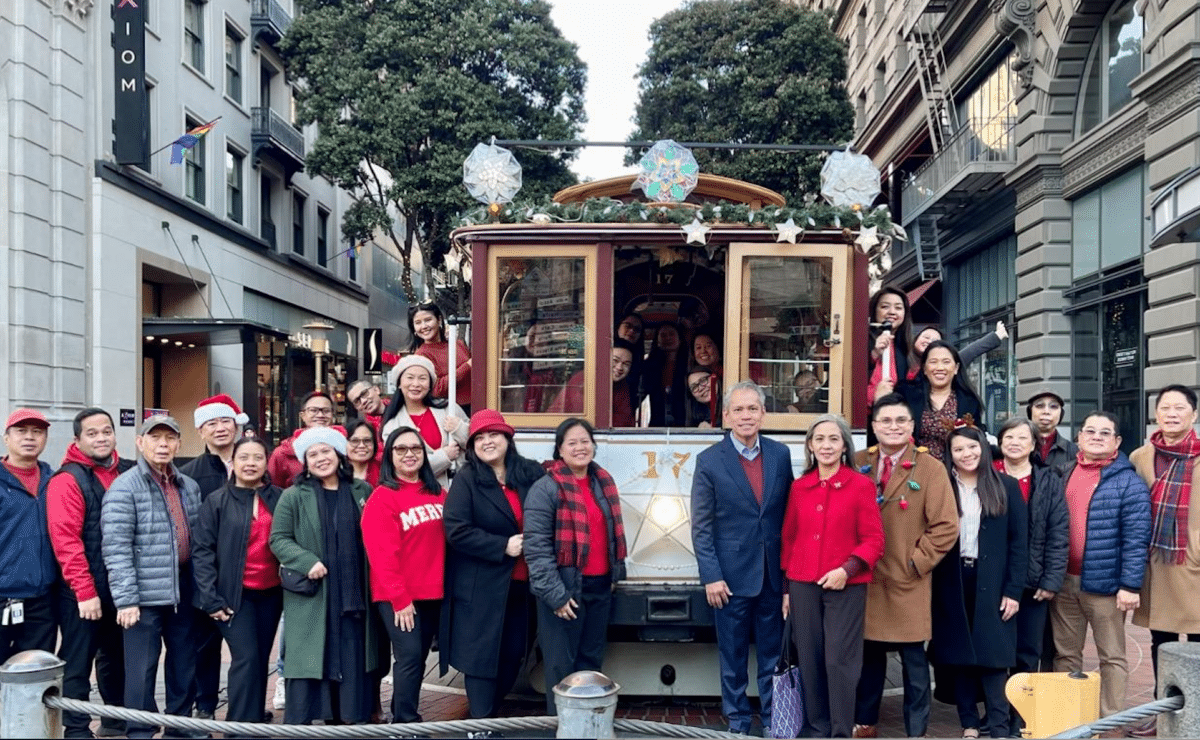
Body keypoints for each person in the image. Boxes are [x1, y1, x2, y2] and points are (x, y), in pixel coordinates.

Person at [852, 393, 958, 740]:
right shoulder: (857, 462)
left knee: (914, 665)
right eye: (886, 420)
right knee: (868, 660)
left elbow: (945, 525)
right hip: (865, 580)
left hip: (907, 579)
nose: (893, 427)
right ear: (874, 425)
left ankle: (917, 732)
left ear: (912, 426)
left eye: (901, 421)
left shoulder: (930, 467)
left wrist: (916, 562)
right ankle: (864, 722)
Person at [692, 381, 794, 734]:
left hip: (770, 575)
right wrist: (711, 575)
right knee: (732, 657)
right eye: (739, 409)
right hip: (729, 579)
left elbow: (787, 519)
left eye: (753, 408)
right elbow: (702, 526)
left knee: (771, 655)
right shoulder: (709, 460)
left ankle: (772, 719)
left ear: (763, 413)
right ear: (726, 416)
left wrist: (787, 581)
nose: (746, 415)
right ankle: (736, 722)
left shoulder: (780, 455)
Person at [781, 414, 884, 738]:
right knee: (809, 659)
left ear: (844, 446)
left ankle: (840, 731)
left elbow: (874, 539)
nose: (826, 445)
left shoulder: (861, 485)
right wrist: (787, 589)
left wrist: (847, 569)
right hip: (802, 584)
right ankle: (816, 727)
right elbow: (789, 538)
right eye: (819, 439)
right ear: (810, 446)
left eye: (833, 439)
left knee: (840, 660)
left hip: (846, 585)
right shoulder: (799, 487)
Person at [441, 409, 547, 719]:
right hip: (482, 585)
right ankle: (480, 721)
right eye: (480, 437)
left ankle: (488, 713)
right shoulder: (468, 480)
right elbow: (456, 530)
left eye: (494, 434)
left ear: (507, 438)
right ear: (471, 445)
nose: (488, 441)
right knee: (481, 658)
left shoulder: (530, 473)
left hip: (523, 584)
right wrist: (502, 546)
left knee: (514, 655)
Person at [101, 414, 202, 739]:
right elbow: (116, 548)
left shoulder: (188, 484)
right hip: (142, 597)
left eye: (169, 438)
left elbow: (197, 538)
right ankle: (140, 731)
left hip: (181, 590)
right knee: (141, 671)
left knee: (183, 664)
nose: (163, 444)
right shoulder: (125, 486)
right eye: (155, 438)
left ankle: (179, 728)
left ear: (178, 443)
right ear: (140, 442)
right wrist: (126, 600)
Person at [269, 426, 379, 725]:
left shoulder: (362, 491)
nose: (320, 459)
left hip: (353, 594)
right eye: (312, 454)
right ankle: (307, 718)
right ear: (305, 461)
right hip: (314, 592)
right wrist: (307, 561)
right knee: (309, 654)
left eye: (325, 451)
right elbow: (278, 539)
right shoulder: (293, 496)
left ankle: (350, 716)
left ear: (339, 453)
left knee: (351, 651)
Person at [1051, 411, 1150, 719]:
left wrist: (1129, 586)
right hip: (1065, 582)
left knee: (1112, 657)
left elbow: (1137, 538)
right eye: (1090, 431)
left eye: (1104, 433)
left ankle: (1111, 719)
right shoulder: (1063, 473)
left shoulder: (1128, 481)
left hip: (1106, 587)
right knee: (1066, 655)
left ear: (1117, 441)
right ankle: (1068, 716)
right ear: (1079, 437)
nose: (1096, 437)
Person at [525, 418, 628, 715]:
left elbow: (610, 535)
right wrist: (555, 595)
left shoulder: (603, 482)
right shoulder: (545, 489)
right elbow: (536, 548)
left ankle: (587, 726)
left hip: (598, 586)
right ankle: (563, 726)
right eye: (572, 442)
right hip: (564, 590)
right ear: (560, 449)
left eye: (585, 441)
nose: (580, 448)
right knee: (561, 668)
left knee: (590, 664)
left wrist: (614, 575)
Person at [930, 425, 1027, 740]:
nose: (966, 454)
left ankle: (998, 726)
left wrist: (1013, 591)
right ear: (950, 455)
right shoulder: (942, 486)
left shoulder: (1006, 486)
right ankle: (969, 723)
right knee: (960, 654)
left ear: (983, 449)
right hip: (952, 580)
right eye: (958, 450)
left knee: (994, 656)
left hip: (994, 582)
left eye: (972, 447)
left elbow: (1019, 544)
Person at [46, 408, 134, 739]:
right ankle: (77, 729)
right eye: (92, 433)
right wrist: (85, 591)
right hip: (82, 593)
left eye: (106, 431)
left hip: (119, 589)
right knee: (77, 662)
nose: (101, 438)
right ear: (78, 440)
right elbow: (65, 540)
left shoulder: (128, 470)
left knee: (115, 658)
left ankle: (114, 721)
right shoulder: (68, 479)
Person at [191, 436, 283, 725]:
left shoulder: (279, 497)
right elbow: (202, 551)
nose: (251, 463)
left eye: (257, 457)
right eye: (244, 457)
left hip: (270, 593)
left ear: (266, 461)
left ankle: (253, 714)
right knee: (245, 658)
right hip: (233, 595)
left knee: (260, 657)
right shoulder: (216, 500)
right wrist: (210, 597)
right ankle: (240, 725)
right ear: (234, 462)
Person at [362, 426, 447, 723]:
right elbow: (382, 555)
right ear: (390, 456)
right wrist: (400, 599)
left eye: (416, 448)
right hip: (397, 595)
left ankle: (403, 712)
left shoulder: (438, 493)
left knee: (418, 658)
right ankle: (406, 721)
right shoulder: (383, 498)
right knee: (409, 657)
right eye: (401, 449)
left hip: (432, 593)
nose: (409, 454)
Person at [993, 417, 1068, 736]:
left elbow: (1059, 532)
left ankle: (1020, 716)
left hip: (1034, 581)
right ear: (1000, 441)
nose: (1014, 442)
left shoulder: (1049, 479)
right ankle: (996, 713)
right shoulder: (989, 476)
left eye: (1022, 437)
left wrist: (1051, 581)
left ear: (1034, 444)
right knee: (997, 651)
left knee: (1028, 651)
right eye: (1008, 436)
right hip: (994, 581)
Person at [181, 393, 251, 720]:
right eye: (212, 423)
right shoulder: (189, 473)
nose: (220, 428)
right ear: (201, 431)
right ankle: (205, 706)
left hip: (250, 573)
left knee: (248, 649)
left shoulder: (253, 462)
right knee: (204, 646)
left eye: (226, 421)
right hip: (204, 574)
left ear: (237, 425)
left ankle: (246, 710)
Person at [1131, 386, 1200, 696]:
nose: (1172, 414)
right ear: (1155, 414)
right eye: (1165, 408)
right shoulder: (1140, 456)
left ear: (1194, 414)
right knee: (1162, 640)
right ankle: (1165, 708)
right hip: (1157, 561)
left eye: (1180, 408)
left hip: (1192, 561)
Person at [1, 409, 58, 663]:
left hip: (42, 598)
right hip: (3, 595)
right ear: (6, 438)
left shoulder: (54, 480)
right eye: (21, 431)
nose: (30, 438)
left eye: (37, 432)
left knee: (34, 670)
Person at [380, 355, 468, 488]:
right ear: (399, 383)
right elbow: (402, 467)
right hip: (422, 493)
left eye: (422, 378)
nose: (416, 384)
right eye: (410, 377)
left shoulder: (448, 408)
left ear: (430, 384)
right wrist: (444, 457)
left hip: (460, 487)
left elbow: (475, 443)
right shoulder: (392, 425)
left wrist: (459, 429)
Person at [902, 340, 986, 461]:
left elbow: (977, 437)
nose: (940, 368)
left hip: (956, 470)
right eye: (933, 362)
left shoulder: (969, 401)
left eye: (946, 362)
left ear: (956, 368)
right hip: (916, 469)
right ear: (925, 368)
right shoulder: (907, 396)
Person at [410, 301, 472, 412]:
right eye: (418, 323)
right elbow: (436, 389)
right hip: (450, 412)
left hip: (477, 405)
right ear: (414, 328)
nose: (424, 326)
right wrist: (467, 366)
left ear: (439, 320)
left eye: (428, 320)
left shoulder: (459, 344)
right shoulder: (420, 355)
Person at [268, 390, 338, 488]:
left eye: (326, 411)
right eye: (313, 410)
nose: (320, 415)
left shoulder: (343, 448)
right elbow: (273, 490)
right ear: (302, 416)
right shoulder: (283, 453)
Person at [907, 322, 1008, 382]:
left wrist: (997, 336)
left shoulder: (944, 366)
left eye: (935, 341)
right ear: (916, 339)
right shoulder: (901, 357)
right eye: (926, 337)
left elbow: (970, 351)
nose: (929, 342)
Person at [866, 286, 914, 405]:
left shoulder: (907, 346)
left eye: (898, 307)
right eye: (885, 307)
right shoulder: (861, 339)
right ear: (874, 310)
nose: (892, 312)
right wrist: (874, 354)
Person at [644, 322, 689, 427]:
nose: (668, 338)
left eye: (671, 334)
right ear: (657, 341)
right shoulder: (648, 366)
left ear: (680, 339)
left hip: (686, 420)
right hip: (656, 420)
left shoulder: (689, 364)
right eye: (663, 335)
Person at [1027, 390, 1078, 476]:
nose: (1046, 411)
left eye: (1053, 406)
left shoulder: (1073, 451)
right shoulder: (1018, 447)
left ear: (1061, 414)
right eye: (1039, 406)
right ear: (1030, 411)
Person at [347, 379, 391, 448]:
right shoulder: (364, 431)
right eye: (357, 401)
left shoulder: (401, 410)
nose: (363, 401)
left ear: (376, 390)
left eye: (364, 393)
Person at [346, 420, 382, 487]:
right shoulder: (336, 473)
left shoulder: (385, 472)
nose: (361, 446)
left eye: (367, 440)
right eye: (355, 441)